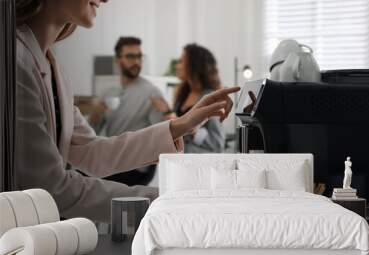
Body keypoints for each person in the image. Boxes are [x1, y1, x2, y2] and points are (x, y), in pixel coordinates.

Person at [15, 0, 239, 222]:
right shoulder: (16, 62)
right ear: (119, 60)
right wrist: (168, 202)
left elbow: (92, 151)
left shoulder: (56, 70)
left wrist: (182, 124)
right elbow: (51, 188)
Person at [90, 36, 166, 186]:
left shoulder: (152, 93)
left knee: (88, 180)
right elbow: (93, 131)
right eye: (130, 56)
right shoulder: (108, 92)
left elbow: (162, 135)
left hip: (136, 167)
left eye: (139, 57)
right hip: (112, 162)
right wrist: (96, 114)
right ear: (117, 60)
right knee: (77, 173)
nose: (136, 62)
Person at [151, 43, 226, 153]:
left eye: (181, 61)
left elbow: (217, 144)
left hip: (197, 165)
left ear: (193, 65)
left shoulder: (211, 98)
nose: (177, 66)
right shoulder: (182, 94)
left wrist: (187, 126)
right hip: (178, 161)